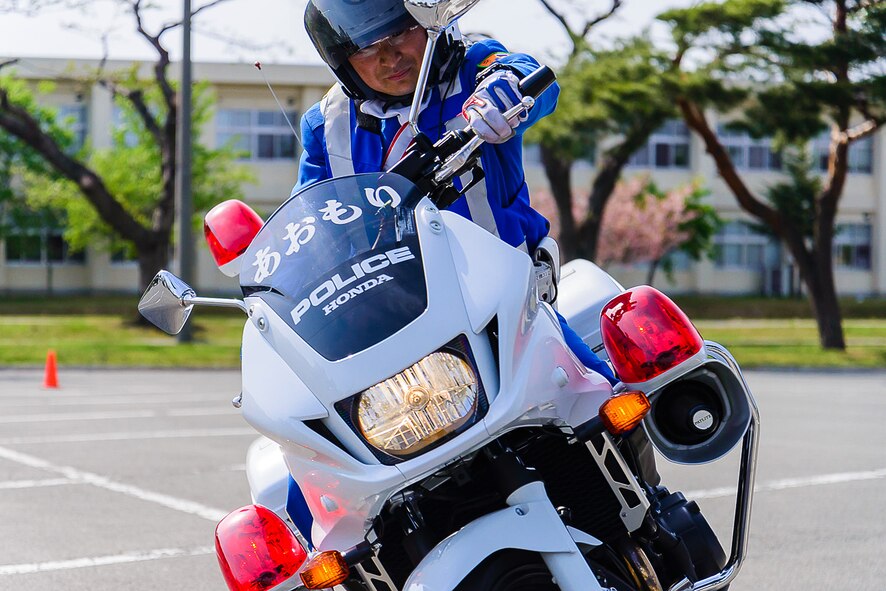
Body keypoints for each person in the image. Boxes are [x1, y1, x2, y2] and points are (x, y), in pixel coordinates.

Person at [286, 0, 620, 546]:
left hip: (506, 307)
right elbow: (310, 223)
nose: (389, 56)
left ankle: (650, 526)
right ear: (342, 62)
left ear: (429, 23)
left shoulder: (472, 67)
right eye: (366, 48)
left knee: (600, 402)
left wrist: (505, 90)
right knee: (315, 499)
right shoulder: (326, 125)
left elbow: (526, 75)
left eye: (400, 33)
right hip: (398, 327)